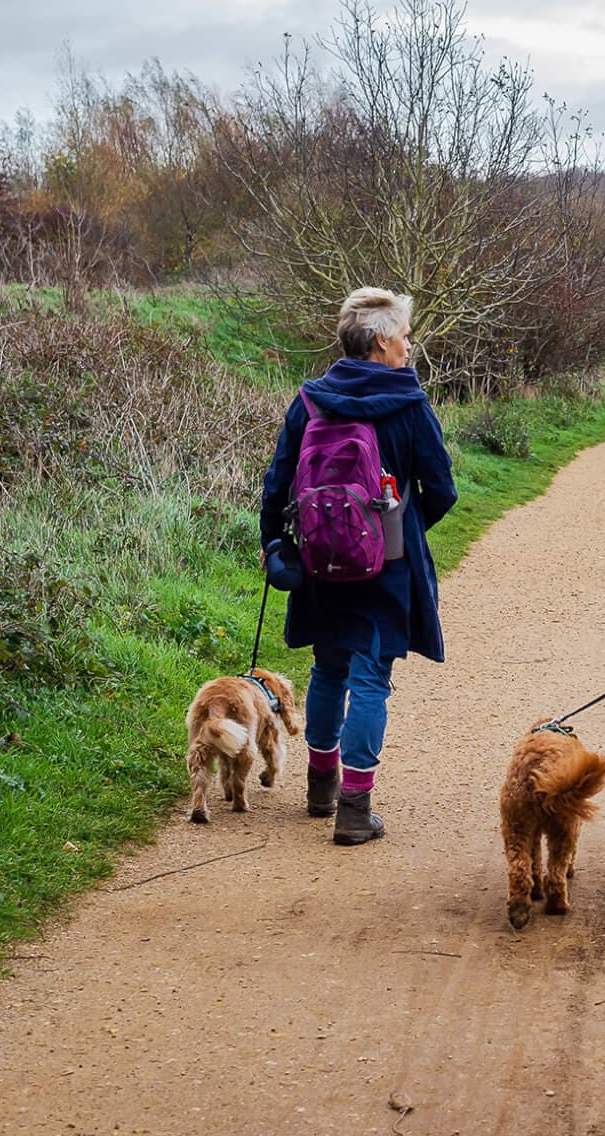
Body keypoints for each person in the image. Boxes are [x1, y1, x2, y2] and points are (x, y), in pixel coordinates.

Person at [260, 288, 457, 846]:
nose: (409, 346)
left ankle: (320, 786)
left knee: (329, 667)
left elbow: (277, 483)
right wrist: (399, 529)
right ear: (379, 342)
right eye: (404, 336)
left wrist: (277, 542)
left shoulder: (311, 401)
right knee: (372, 676)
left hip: (321, 559)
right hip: (388, 563)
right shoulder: (411, 405)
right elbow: (441, 489)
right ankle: (354, 809)